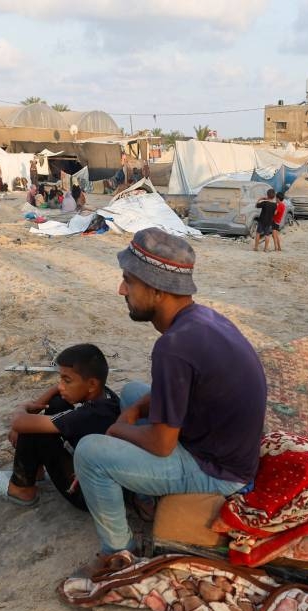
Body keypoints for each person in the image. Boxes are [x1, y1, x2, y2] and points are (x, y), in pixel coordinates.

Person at [73, 229, 267, 562]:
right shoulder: (202, 319)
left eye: (129, 281)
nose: (121, 290)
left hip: (219, 473)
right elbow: (188, 388)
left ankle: (118, 552)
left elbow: (162, 444)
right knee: (133, 393)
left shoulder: (173, 347)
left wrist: (118, 429)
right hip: (223, 447)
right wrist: (134, 410)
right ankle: (146, 498)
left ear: (157, 289)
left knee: (90, 453)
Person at [0, 344, 120, 510]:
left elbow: (20, 422)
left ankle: (22, 489)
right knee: (57, 403)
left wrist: (23, 408)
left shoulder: (90, 415)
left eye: (67, 380)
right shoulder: (105, 396)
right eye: (61, 379)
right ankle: (36, 472)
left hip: (86, 495)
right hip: (91, 472)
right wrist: (37, 405)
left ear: (92, 384)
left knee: (34, 428)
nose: (61, 385)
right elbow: (57, 391)